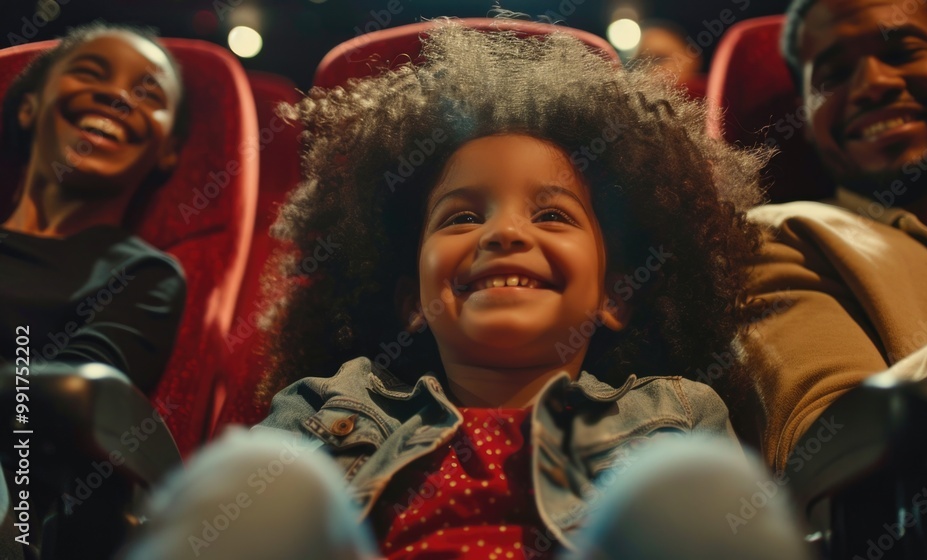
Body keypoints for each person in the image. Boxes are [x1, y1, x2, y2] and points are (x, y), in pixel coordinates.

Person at [121, 20, 810, 560]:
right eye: (462, 217)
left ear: (616, 297)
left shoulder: (676, 412)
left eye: (551, 215)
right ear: (409, 303)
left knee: (694, 486)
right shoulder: (331, 406)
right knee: (260, 479)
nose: (504, 235)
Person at [745, 0, 927, 470]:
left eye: (901, 51)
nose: (872, 84)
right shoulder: (778, 239)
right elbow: (827, 456)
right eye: (834, 75)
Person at [0, 22, 188, 394]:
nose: (117, 95)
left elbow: (56, 410)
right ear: (28, 107)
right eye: (87, 73)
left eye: (149, 95)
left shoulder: (142, 276)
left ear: (168, 152)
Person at [635, 20, 706, 97]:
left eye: (660, 58)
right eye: (642, 61)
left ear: (692, 56)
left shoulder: (716, 93)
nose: (653, 69)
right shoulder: (639, 98)